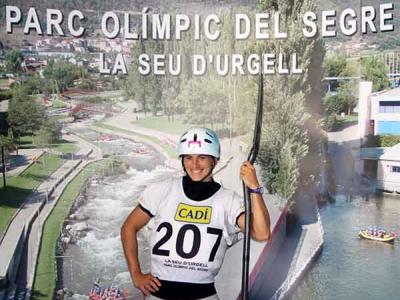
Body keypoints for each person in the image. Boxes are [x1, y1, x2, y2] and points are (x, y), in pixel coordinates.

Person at [121, 127, 271, 300]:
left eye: (202, 158)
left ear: (215, 160)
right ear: (182, 160)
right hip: (158, 295)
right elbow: (129, 227)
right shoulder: (162, 189)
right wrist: (136, 274)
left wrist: (254, 188)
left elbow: (262, 233)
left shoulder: (228, 200)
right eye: (188, 158)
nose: (195, 165)